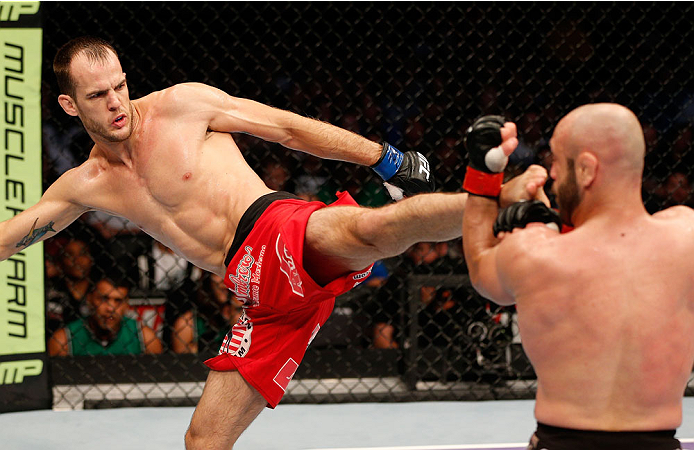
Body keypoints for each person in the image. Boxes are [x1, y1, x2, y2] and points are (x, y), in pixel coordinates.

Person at [0, 36, 542, 449]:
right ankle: (493, 200)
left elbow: (286, 127)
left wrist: (384, 157)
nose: (118, 101)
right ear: (72, 107)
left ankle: (498, 195)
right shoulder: (85, 184)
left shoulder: (182, 107)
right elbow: (14, 235)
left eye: (120, 84)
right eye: (99, 95)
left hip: (272, 228)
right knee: (204, 441)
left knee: (370, 230)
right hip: (259, 297)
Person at [461, 106, 694, 449]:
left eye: (557, 160)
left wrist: (484, 173)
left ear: (586, 168)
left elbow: (481, 268)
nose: (553, 172)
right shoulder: (686, 237)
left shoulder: (536, 253)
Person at [48, 277, 162, 356]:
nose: (110, 308)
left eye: (118, 301)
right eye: (103, 299)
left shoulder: (145, 338)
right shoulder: (63, 340)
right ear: (90, 300)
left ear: (126, 305)